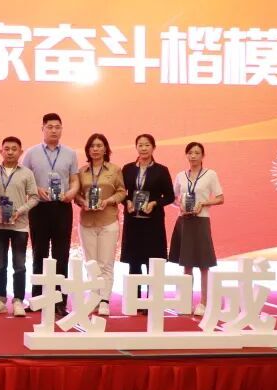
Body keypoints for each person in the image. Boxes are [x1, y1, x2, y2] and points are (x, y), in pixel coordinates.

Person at [21, 113, 79, 316]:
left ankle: (60, 302)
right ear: (43, 129)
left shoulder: (70, 153)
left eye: (57, 127)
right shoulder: (31, 153)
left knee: (61, 254)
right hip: (39, 208)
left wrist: (72, 192)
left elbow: (74, 180)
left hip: (62, 207)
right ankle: (37, 299)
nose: (54, 130)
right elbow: (23, 180)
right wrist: (36, 189)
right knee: (39, 254)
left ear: (61, 129)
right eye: (50, 127)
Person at [169, 142, 224, 316]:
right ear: (186, 155)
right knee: (186, 264)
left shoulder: (210, 175)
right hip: (184, 221)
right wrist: (180, 205)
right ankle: (186, 301)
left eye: (197, 153)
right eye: (190, 153)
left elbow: (220, 198)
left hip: (201, 221)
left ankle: (203, 302)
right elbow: (173, 198)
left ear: (202, 156)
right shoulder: (181, 176)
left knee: (203, 264)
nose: (193, 156)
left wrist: (203, 203)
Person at [120, 134, 175, 308]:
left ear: (153, 147)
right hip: (133, 221)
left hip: (153, 223)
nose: (143, 148)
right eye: (140, 145)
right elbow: (121, 192)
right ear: (136, 147)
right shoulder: (128, 169)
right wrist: (127, 202)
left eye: (147, 145)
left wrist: (154, 203)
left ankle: (152, 301)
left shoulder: (161, 170)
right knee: (134, 261)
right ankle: (134, 300)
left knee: (153, 262)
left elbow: (170, 196)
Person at [0, 136, 38, 317]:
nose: (10, 152)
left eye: (14, 149)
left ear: (20, 152)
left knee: (19, 266)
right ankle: (0, 300)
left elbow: (34, 197)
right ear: (1, 151)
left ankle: (18, 301)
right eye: (6, 149)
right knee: (0, 265)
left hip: (20, 226)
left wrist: (20, 211)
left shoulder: (27, 173)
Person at [75, 133, 127, 316]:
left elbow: (122, 192)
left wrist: (108, 201)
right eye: (92, 146)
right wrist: (83, 202)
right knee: (91, 263)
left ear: (106, 149)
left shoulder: (115, 169)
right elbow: (76, 194)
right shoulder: (82, 171)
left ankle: (104, 300)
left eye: (99, 146)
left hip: (108, 221)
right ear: (88, 150)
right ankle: (94, 297)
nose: (95, 149)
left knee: (106, 263)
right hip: (87, 222)